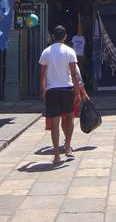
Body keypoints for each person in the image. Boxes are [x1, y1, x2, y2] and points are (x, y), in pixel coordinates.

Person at [39, 26, 89, 164]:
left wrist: (44, 90)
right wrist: (78, 92)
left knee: (55, 123)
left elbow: (42, 74)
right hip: (67, 89)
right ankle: (67, 147)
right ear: (65, 36)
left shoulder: (46, 52)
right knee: (69, 119)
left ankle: (56, 154)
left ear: (53, 36)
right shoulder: (70, 51)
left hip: (52, 90)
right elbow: (74, 73)